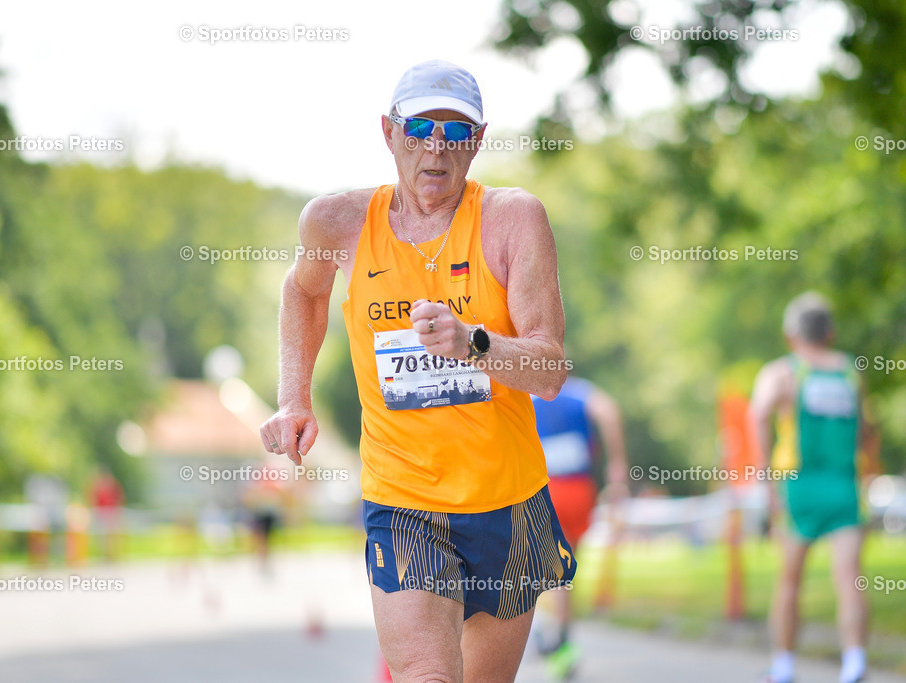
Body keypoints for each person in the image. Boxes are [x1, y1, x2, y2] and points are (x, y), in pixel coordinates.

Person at [259, 59, 576, 683]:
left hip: (506, 499)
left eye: (455, 132)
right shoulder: (339, 223)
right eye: (420, 128)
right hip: (402, 500)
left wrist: (472, 343)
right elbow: (304, 292)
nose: (436, 148)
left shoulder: (512, 220)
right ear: (388, 131)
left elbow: (550, 369)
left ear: (478, 141)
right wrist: (293, 399)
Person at [749, 292, 876, 683]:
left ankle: (784, 667)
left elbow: (758, 414)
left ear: (791, 334)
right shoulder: (850, 372)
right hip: (843, 484)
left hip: (797, 487)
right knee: (849, 577)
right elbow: (868, 429)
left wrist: (765, 479)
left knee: (789, 581)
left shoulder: (783, 372)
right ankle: (854, 662)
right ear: (831, 332)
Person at [530, 376, 629, 679]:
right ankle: (559, 634)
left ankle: (556, 636)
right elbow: (609, 411)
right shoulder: (579, 392)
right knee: (567, 565)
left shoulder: (529, 395)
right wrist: (617, 464)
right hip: (579, 487)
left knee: (542, 567)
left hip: (544, 488)